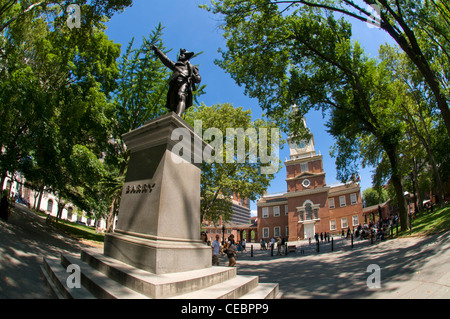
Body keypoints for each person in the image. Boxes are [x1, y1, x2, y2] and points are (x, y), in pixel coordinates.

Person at [150, 45, 201, 116]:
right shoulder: (176, 65)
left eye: (182, 55)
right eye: (180, 55)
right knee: (172, 103)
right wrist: (157, 51)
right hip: (174, 83)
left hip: (184, 82)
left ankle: (178, 115)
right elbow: (166, 60)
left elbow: (198, 79)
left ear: (186, 56)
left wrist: (192, 75)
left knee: (181, 95)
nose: (180, 56)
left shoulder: (192, 67)